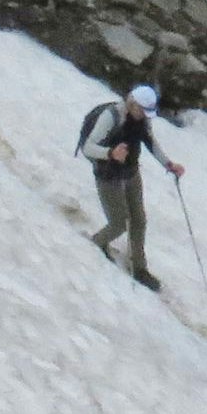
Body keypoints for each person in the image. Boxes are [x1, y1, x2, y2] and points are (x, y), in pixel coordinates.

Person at [77, 84, 183, 288]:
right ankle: (96, 244)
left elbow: (151, 143)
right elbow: (88, 147)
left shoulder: (142, 121)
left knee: (139, 220)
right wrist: (110, 154)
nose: (144, 116)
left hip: (131, 172)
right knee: (118, 223)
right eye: (142, 111)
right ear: (132, 103)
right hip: (108, 175)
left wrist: (169, 165)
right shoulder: (111, 116)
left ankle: (139, 268)